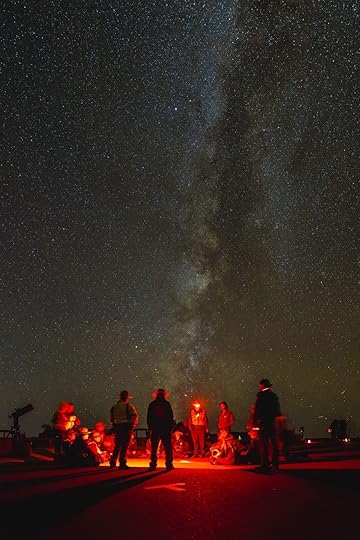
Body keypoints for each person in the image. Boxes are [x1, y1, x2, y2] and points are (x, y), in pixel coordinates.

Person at [253, 378, 281, 473]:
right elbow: (277, 409)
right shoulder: (273, 396)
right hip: (272, 422)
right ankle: (275, 465)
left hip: (264, 422)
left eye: (260, 385)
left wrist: (255, 421)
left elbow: (258, 409)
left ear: (262, 385)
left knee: (263, 444)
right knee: (273, 444)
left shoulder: (261, 396)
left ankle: (265, 464)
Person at [110, 390, 139, 469]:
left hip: (117, 427)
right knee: (124, 446)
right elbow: (135, 416)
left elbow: (111, 419)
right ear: (127, 398)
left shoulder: (114, 407)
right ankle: (122, 462)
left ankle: (112, 461)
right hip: (126, 427)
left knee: (117, 445)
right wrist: (132, 424)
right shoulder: (129, 406)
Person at [147, 388, 174, 471]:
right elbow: (170, 417)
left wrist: (150, 427)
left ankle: (153, 464)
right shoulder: (167, 404)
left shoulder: (152, 404)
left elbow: (149, 417)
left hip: (155, 428)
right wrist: (170, 428)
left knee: (154, 447)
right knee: (167, 447)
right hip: (165, 428)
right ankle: (169, 464)